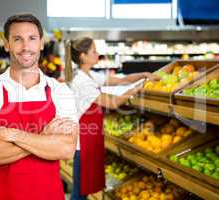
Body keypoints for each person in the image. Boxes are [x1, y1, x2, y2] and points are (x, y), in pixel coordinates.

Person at [0, 13, 78, 200]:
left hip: (49, 195)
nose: (26, 47)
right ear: (7, 43)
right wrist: (44, 137)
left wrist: (14, 135)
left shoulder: (60, 91)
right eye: (17, 39)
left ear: (41, 43)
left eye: (32, 39)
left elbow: (66, 148)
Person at [64, 37, 160, 200]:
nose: (98, 54)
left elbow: (121, 80)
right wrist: (136, 89)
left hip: (91, 138)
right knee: (80, 192)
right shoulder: (81, 81)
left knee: (84, 188)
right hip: (83, 142)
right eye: (94, 51)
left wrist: (143, 75)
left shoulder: (89, 75)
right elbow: (113, 102)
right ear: (83, 56)